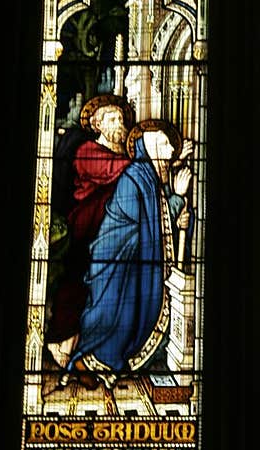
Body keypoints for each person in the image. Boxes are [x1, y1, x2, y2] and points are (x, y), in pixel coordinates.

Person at [69, 120, 192, 382]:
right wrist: (178, 198)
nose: (170, 150)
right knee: (112, 313)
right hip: (116, 259)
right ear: (152, 149)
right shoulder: (136, 176)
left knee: (123, 314)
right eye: (165, 145)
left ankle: (100, 364)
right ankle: (91, 362)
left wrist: (176, 206)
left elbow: (155, 215)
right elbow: (145, 219)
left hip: (128, 258)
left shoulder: (148, 176)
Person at [47, 95, 133, 368]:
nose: (119, 123)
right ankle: (59, 340)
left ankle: (82, 347)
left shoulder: (124, 158)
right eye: (112, 119)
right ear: (97, 124)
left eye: (121, 119)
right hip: (87, 228)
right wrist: (148, 162)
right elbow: (110, 171)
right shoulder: (88, 150)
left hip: (112, 235)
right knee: (77, 284)